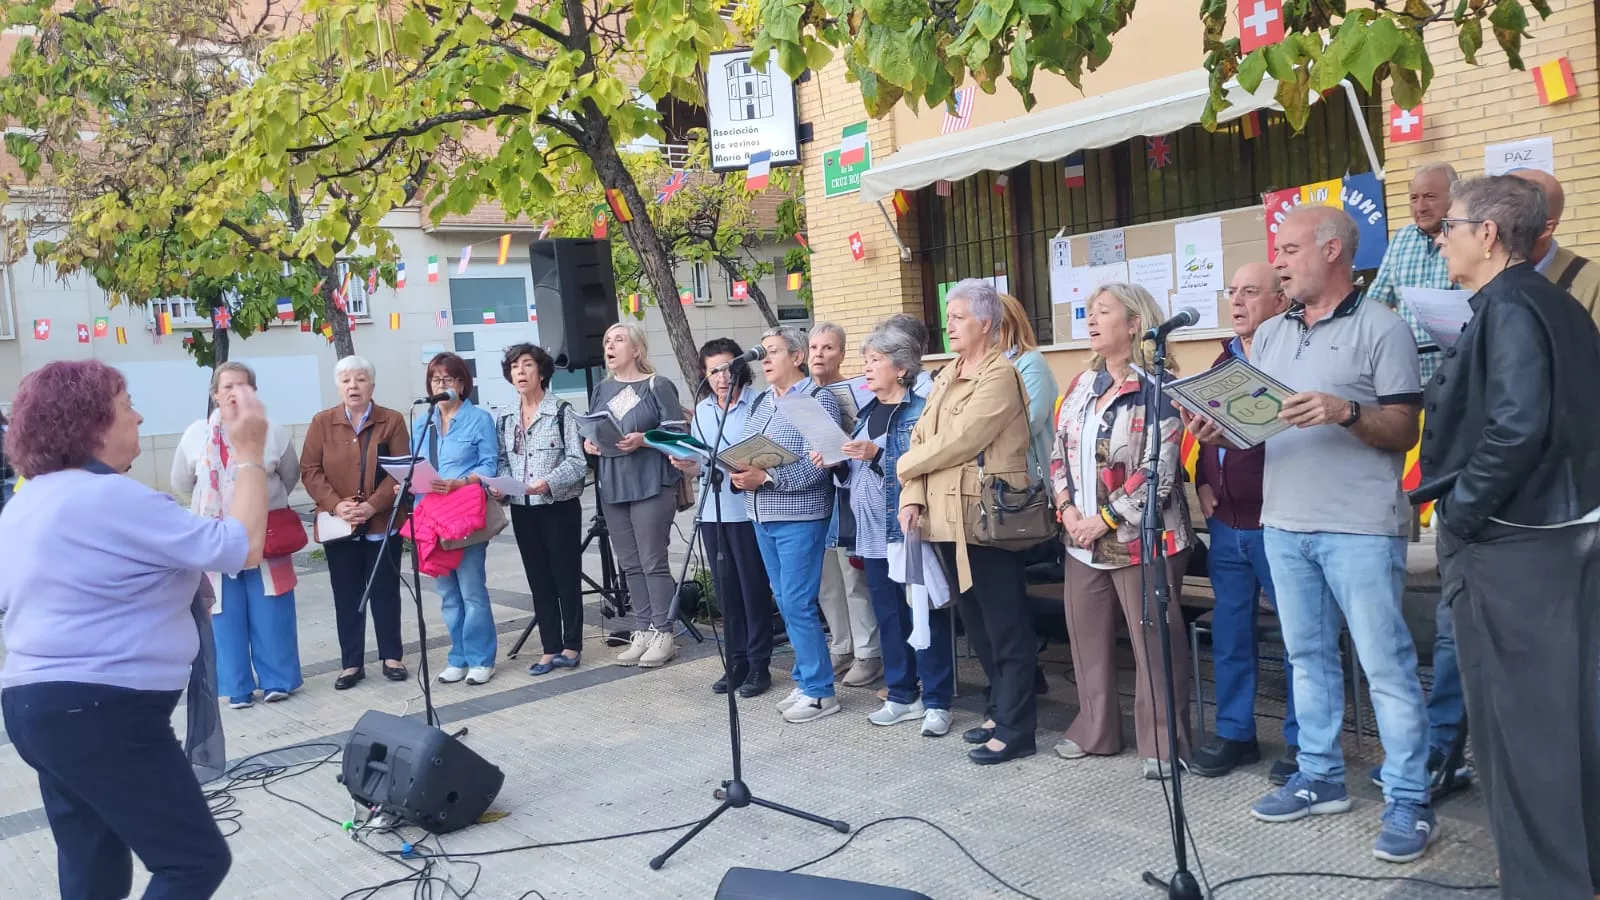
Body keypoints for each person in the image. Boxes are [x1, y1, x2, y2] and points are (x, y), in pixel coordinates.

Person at [1185, 205, 1434, 863]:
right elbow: (1259, 423)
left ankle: (1409, 799)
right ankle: (1320, 778)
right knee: (1307, 659)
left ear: (1330, 251)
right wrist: (1221, 428)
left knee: (1386, 665)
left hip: (1358, 527)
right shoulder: (1271, 337)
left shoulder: (1384, 328)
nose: (1281, 260)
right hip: (1284, 525)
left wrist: (1345, 411)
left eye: (1290, 248)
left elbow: (1405, 430)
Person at [1, 359, 268, 900]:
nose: (140, 417)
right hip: (102, 711)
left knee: (92, 864)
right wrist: (250, 456)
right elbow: (241, 547)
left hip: (37, 708)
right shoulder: (112, 497)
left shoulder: (25, 503)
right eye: (127, 408)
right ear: (92, 425)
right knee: (193, 861)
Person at [1416, 174, 1600, 899]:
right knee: (1568, 716)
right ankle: (1573, 871)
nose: (1440, 239)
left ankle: (1544, 881)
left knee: (1521, 729)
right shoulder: (1557, 303)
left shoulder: (1511, 305)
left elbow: (1516, 426)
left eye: (1450, 227)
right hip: (1562, 533)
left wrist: (1460, 514)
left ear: (1488, 234)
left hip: (1517, 544)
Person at [1049, 283, 1194, 780]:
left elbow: (1159, 468)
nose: (1091, 320)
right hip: (1080, 539)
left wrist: (1105, 519)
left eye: (1103, 312)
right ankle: (1096, 730)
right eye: (1088, 312)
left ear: (1134, 324)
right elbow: (1058, 455)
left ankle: (1162, 743)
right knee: (1086, 638)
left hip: (1142, 539)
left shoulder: (1159, 388)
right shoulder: (1079, 387)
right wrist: (1068, 511)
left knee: (1152, 643)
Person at [897, 279, 1038, 765]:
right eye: (949, 316)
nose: (949, 325)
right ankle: (999, 711)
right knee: (976, 623)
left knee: (1005, 624)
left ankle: (1019, 725)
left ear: (986, 323)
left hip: (988, 516)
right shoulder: (946, 373)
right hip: (945, 517)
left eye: (958, 317)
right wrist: (912, 495)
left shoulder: (999, 375)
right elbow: (921, 435)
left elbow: (959, 439)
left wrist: (902, 468)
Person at [816, 317, 956, 737]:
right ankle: (900, 694)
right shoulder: (867, 411)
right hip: (871, 534)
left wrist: (877, 455)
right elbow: (857, 470)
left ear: (901, 367)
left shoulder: (918, 411)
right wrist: (840, 463)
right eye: (865, 359)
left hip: (908, 532)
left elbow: (926, 468)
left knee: (922, 616)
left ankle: (936, 700)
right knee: (889, 618)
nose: (867, 367)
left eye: (875, 359)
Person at [1189, 264, 1301, 782]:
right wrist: (1200, 481)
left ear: (1280, 301)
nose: (1236, 302)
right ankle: (1236, 734)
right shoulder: (1223, 358)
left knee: (1299, 638)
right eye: (1232, 292)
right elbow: (1206, 433)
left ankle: (1305, 743)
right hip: (1227, 526)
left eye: (1250, 292)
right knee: (1232, 636)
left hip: (1279, 521)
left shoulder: (1294, 356)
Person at [171, 361, 303, 709]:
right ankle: (237, 687)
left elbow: (289, 476)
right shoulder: (196, 434)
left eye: (242, 386)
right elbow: (181, 484)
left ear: (254, 393)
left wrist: (259, 504)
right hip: (215, 538)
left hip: (266, 535)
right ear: (215, 394)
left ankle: (278, 680)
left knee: (271, 611)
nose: (234, 393)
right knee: (222, 614)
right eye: (227, 386)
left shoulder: (273, 431)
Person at [742, 326, 846, 723]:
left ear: (797, 356)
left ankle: (821, 692)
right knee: (784, 599)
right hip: (760, 513)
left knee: (799, 602)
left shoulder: (818, 399)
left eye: (772, 352)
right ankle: (805, 679)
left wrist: (767, 478)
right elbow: (750, 448)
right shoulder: (761, 401)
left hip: (801, 514)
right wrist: (740, 470)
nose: (765, 360)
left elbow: (819, 465)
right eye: (762, 353)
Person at [671, 338, 775, 697]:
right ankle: (737, 660)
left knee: (753, 590)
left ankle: (761, 664)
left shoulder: (759, 403)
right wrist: (688, 463)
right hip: (713, 510)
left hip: (747, 511)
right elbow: (702, 458)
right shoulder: (702, 412)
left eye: (728, 367)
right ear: (704, 373)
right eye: (713, 370)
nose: (721, 377)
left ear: (741, 367)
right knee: (726, 590)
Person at [300, 355, 411, 690]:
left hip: (380, 523)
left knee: (385, 592)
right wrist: (338, 505)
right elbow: (310, 470)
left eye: (360, 379)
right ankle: (351, 663)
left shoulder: (391, 420)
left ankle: (392, 656)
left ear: (372, 385)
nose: (353, 385)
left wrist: (373, 506)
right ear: (338, 386)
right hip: (340, 523)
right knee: (347, 594)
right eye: (346, 379)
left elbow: (401, 470)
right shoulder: (322, 422)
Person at [586, 322, 688, 668]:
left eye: (617, 340)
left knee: (652, 560)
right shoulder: (602, 389)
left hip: (651, 481)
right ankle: (642, 629)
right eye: (606, 341)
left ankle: (664, 631)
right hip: (613, 481)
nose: (609, 347)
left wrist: (644, 439)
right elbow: (596, 426)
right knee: (629, 563)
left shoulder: (657, 385)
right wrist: (590, 442)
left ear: (636, 348)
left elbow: (677, 432)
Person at [492, 344, 588, 676]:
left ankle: (572, 645)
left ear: (542, 372)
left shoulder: (562, 411)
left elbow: (578, 462)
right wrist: (500, 487)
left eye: (527, 365)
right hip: (522, 507)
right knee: (539, 579)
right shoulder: (505, 417)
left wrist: (548, 482)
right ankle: (549, 647)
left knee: (565, 576)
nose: (520, 371)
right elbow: (503, 461)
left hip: (557, 505)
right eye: (515, 366)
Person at [412, 352, 501, 685]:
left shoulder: (478, 419)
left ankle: (481, 658)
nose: (442, 384)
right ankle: (458, 657)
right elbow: (414, 464)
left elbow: (490, 465)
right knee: (447, 594)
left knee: (471, 590)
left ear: (462, 383)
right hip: (431, 517)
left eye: (449, 379)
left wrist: (461, 482)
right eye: (436, 379)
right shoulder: (422, 423)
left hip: (464, 515)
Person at [808, 321, 883, 687]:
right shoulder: (801, 393)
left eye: (828, 348)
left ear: (841, 353)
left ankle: (869, 652)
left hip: (848, 490)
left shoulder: (859, 390)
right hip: (811, 497)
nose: (820, 355)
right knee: (826, 579)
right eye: (815, 348)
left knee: (853, 576)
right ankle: (841, 645)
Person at [1366, 162, 1458, 382]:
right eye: (1414, 198)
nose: (1420, 207)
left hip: (1460, 377)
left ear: (1454, 197)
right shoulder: (1401, 238)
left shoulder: (1469, 236)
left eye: (1430, 196)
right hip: (1410, 377)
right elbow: (1376, 303)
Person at [1508, 167, 1600, 329]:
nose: (1489, 229)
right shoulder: (1479, 278)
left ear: (1544, 229)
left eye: (1504, 216)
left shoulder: (1593, 285)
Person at [997, 293, 1060, 482]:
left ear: (1006, 325)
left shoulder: (1031, 363)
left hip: (1028, 478)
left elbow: (1030, 421)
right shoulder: (981, 366)